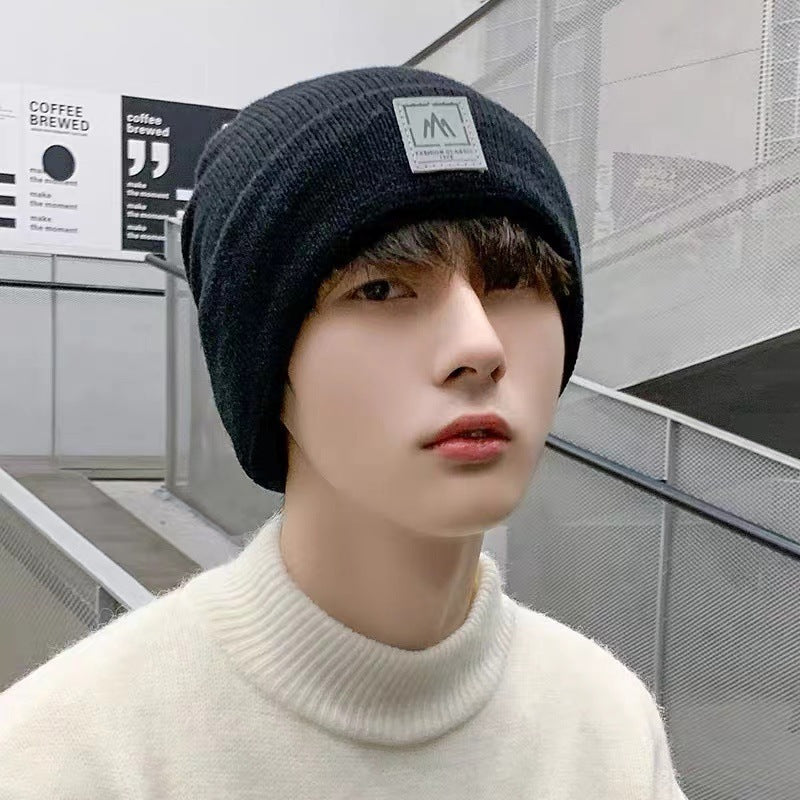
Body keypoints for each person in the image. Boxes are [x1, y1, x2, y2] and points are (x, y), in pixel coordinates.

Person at [0, 66, 687, 798]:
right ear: (266, 369)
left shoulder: (606, 725)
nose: (480, 346)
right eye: (382, 289)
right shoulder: (69, 757)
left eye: (515, 280)